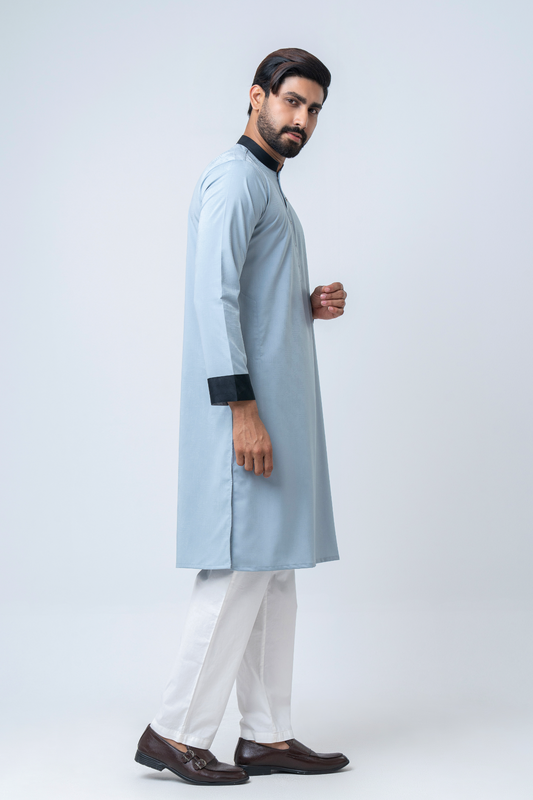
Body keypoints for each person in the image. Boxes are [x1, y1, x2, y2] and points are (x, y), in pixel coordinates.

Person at [135, 47, 349, 786]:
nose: (302, 120)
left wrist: (304, 303)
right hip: (249, 416)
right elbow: (213, 296)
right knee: (236, 572)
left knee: (272, 572)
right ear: (256, 97)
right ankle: (175, 731)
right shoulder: (234, 179)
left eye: (314, 109)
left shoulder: (267, 186)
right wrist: (242, 412)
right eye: (291, 102)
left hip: (276, 415)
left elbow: (252, 294)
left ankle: (265, 735)